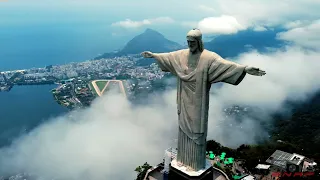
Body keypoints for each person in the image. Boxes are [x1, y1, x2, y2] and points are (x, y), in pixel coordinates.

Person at [141, 28, 266, 171]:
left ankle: (195, 163)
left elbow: (225, 65)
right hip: (183, 99)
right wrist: (153, 55)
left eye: (193, 42)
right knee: (183, 129)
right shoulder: (181, 55)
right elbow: (168, 57)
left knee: (196, 131)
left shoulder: (208, 58)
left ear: (199, 42)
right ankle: (183, 159)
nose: (190, 44)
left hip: (198, 103)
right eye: (188, 42)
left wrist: (244, 68)